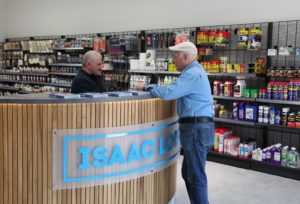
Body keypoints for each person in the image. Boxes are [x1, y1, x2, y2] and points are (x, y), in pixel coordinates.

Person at [146, 42, 214, 204]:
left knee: (196, 176)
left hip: (196, 129)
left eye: (175, 57)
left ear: (185, 57)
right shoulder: (192, 72)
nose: (173, 61)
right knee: (189, 173)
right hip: (196, 128)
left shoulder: (192, 74)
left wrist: (151, 88)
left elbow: (170, 92)